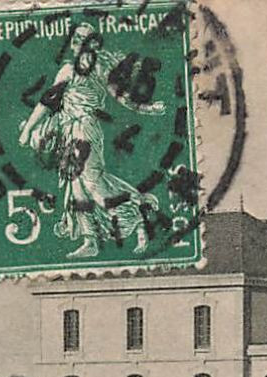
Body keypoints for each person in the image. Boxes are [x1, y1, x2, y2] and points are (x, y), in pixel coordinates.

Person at [14, 23, 166, 258]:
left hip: (85, 131)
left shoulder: (100, 71)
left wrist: (148, 108)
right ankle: (91, 240)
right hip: (69, 133)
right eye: (74, 37)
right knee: (77, 189)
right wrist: (29, 130)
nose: (75, 41)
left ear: (92, 44)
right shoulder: (67, 70)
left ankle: (137, 216)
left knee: (94, 185)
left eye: (81, 38)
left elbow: (123, 97)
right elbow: (47, 101)